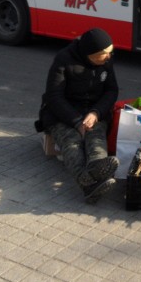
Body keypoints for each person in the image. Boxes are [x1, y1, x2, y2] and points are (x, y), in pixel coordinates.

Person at [36, 28, 120, 204]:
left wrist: (96, 113)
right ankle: (87, 182)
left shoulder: (106, 63)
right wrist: (76, 121)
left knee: (96, 136)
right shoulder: (63, 59)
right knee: (72, 141)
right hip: (63, 113)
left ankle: (97, 167)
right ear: (90, 54)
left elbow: (111, 90)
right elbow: (54, 96)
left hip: (93, 111)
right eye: (104, 54)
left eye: (110, 53)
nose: (108, 57)